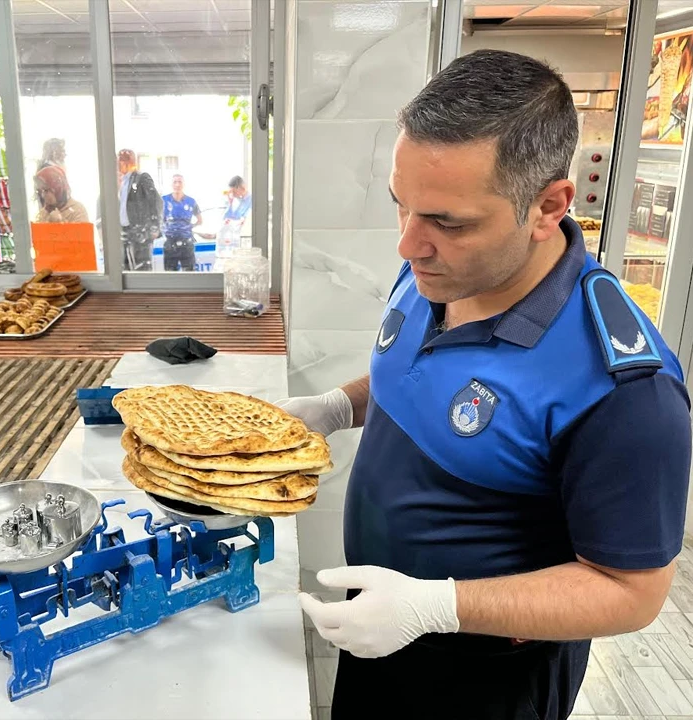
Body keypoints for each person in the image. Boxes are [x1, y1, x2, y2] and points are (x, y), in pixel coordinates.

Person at [286, 50, 691, 720]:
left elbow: (633, 591)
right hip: (380, 626)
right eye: (402, 207)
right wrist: (337, 407)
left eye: (448, 221)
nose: (408, 244)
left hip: (487, 681)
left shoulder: (623, 389)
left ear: (548, 206)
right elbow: (424, 373)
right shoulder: (437, 269)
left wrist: (436, 607)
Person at [117, 149, 162, 271]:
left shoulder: (141, 178)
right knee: (126, 269)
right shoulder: (122, 182)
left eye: (125, 160)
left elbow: (155, 201)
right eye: (120, 160)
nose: (122, 163)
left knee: (142, 269)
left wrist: (154, 226)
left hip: (140, 233)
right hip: (125, 233)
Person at [161, 174, 202, 271]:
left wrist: (189, 227)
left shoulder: (191, 201)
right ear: (171, 184)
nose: (177, 185)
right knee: (170, 273)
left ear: (184, 184)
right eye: (175, 182)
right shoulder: (164, 200)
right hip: (170, 242)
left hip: (186, 242)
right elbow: (158, 219)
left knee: (189, 273)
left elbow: (200, 220)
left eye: (180, 182)